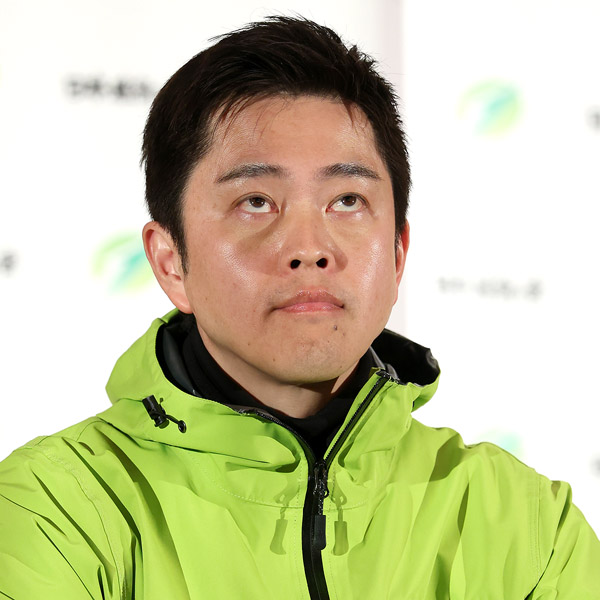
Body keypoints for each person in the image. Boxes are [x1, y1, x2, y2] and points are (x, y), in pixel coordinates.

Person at [0, 16, 599, 599]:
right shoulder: (54, 511)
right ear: (170, 262)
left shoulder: (529, 527)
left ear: (397, 253)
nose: (310, 248)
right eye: (256, 202)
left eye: (347, 200)